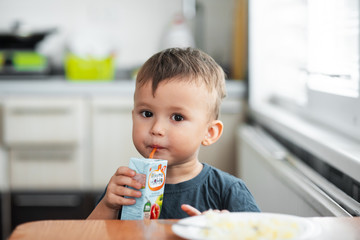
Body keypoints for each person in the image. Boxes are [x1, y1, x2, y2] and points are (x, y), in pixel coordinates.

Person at [87, 47, 260, 220]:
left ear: (209, 132)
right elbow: (86, 234)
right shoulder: (126, 186)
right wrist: (108, 206)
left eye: (177, 117)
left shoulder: (229, 191)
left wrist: (223, 230)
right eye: (147, 114)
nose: (157, 129)